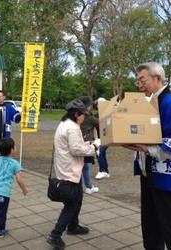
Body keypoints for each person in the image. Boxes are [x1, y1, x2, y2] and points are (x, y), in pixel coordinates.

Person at [124, 62, 171, 250]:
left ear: (157, 78)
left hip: (167, 176)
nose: (139, 85)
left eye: (142, 80)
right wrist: (135, 145)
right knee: (150, 223)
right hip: (151, 174)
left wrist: (144, 148)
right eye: (137, 81)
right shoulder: (151, 103)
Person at [47, 99, 99, 250]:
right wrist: (95, 146)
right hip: (70, 170)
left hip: (65, 167)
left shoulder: (63, 124)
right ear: (77, 114)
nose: (84, 118)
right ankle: (55, 235)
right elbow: (76, 150)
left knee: (77, 198)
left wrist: (88, 145)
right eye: (83, 115)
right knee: (72, 203)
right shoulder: (73, 127)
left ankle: (73, 225)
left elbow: (75, 146)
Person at [78, 96, 99, 194]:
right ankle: (88, 187)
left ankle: (86, 186)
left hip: (77, 143)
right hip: (86, 144)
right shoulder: (88, 117)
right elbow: (99, 123)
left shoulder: (76, 115)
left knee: (80, 166)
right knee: (85, 167)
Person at [94, 97, 110, 180]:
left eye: (99, 104)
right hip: (99, 139)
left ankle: (102, 171)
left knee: (99, 152)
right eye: (97, 104)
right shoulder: (96, 115)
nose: (97, 105)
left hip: (107, 138)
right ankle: (106, 171)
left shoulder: (108, 114)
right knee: (101, 154)